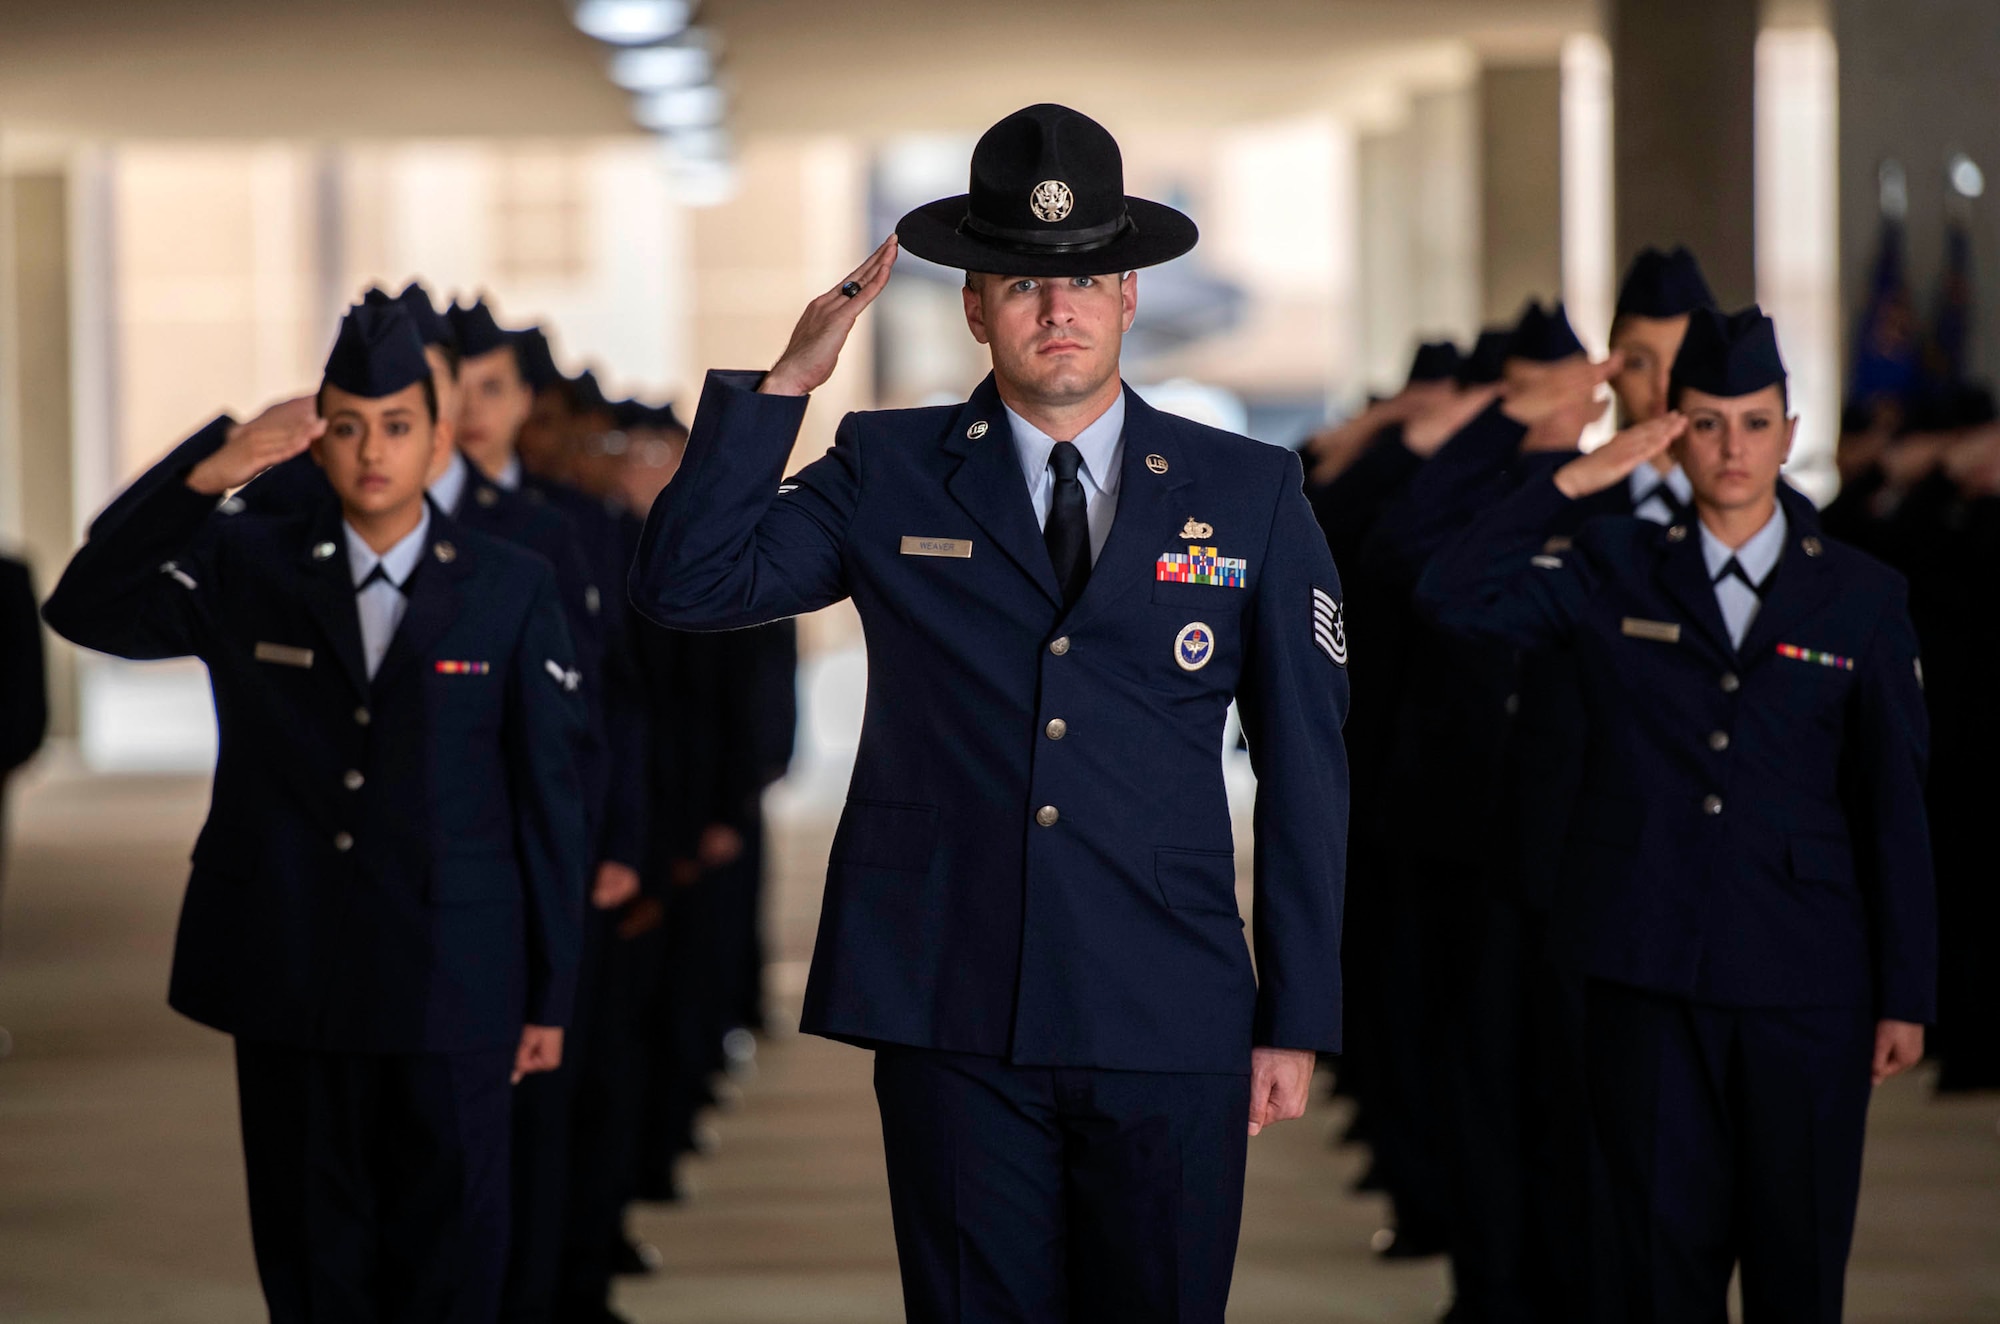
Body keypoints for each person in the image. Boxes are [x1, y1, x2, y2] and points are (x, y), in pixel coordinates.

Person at [629, 103, 1348, 1321]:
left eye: (1083, 281)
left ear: (1128, 295)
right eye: (1018, 283)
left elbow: (1306, 765)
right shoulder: (886, 464)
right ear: (973, 307)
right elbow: (689, 585)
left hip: (1165, 996)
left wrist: (1296, 1012)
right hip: (950, 993)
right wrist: (787, 384)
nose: (1053, 309)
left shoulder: (1249, 488)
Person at [41, 299, 590, 1323]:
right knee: (310, 1252)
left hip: (454, 979)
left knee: (453, 1251)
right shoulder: (251, 565)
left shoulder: (510, 586)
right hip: (292, 965)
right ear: (316, 437)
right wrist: (214, 465)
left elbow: (547, 798)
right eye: (345, 424)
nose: (370, 450)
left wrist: (551, 992)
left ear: (436, 439)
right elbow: (85, 604)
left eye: (395, 425)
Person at [1417, 305, 1935, 1323]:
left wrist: (1903, 991)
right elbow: (1448, 593)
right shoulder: (1611, 563)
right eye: (1704, 422)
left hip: (1803, 983)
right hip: (1643, 971)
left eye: (1752, 422)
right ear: (1669, 429)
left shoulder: (1859, 597)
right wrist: (1572, 478)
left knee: (1796, 1264)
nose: (1731, 447)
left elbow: (1891, 806)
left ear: (1789, 431)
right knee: (1654, 1268)